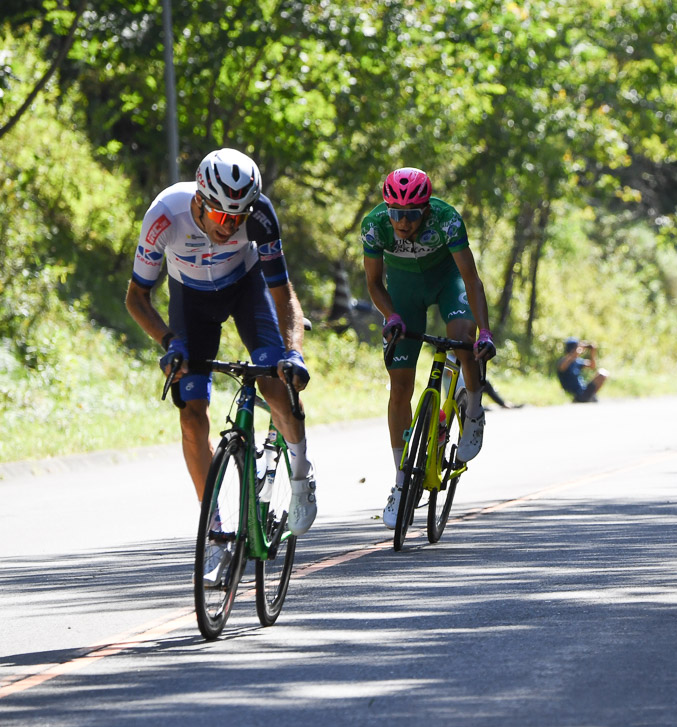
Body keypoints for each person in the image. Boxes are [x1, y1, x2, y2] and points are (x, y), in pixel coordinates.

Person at [125, 147, 317, 587]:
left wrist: (294, 352)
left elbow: (282, 293)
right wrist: (169, 342)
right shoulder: (164, 216)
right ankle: (215, 533)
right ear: (199, 198)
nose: (228, 225)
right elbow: (136, 297)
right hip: (190, 303)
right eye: (220, 215)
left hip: (246, 290)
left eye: (238, 217)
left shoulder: (260, 215)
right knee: (192, 416)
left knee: (276, 384)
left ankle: (303, 473)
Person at [362, 167, 495, 530]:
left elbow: (470, 279)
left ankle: (474, 411)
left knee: (463, 336)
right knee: (400, 387)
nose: (402, 222)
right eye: (396, 213)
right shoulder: (375, 225)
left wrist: (485, 331)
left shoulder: (447, 219)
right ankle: (401, 483)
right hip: (404, 291)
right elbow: (374, 284)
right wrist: (390, 316)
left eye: (411, 214)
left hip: (446, 283)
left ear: (425, 209)